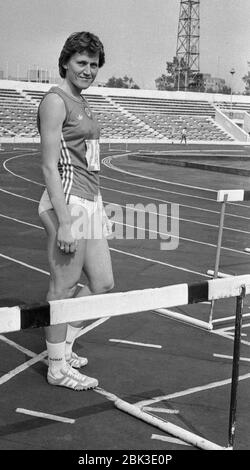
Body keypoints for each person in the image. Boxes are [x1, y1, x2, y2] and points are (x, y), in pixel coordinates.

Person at [37, 31, 114, 391]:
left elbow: (89, 162)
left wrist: (99, 207)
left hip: (89, 200)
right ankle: (56, 366)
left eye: (94, 65)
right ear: (66, 61)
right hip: (68, 202)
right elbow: (50, 167)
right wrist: (66, 222)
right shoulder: (56, 101)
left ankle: (64, 346)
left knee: (102, 283)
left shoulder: (81, 101)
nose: (88, 70)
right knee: (63, 288)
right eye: (81, 62)